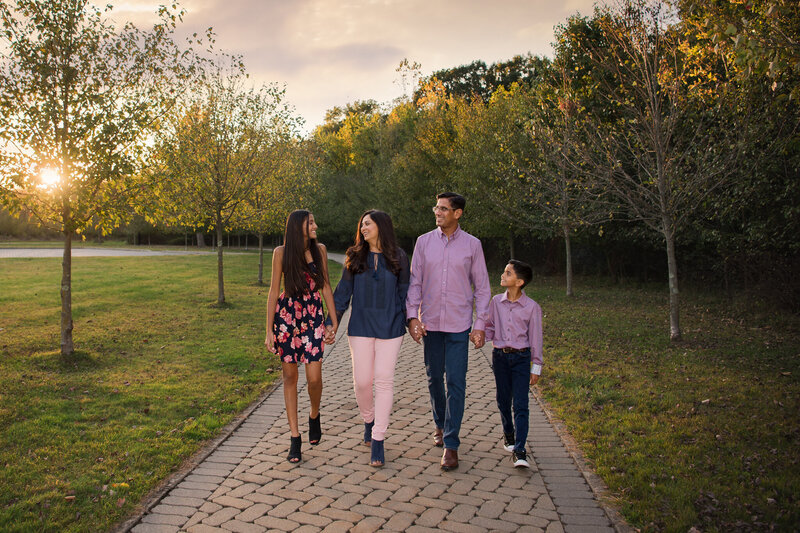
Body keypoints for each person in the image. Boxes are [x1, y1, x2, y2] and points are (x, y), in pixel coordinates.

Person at [406, 192, 491, 471]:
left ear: (458, 213)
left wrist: (480, 325)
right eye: (436, 208)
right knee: (433, 379)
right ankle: (441, 424)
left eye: (444, 209)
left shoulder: (472, 246)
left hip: (458, 325)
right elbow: (415, 283)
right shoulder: (423, 242)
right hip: (431, 324)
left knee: (456, 382)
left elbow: (482, 288)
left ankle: (451, 445)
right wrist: (412, 318)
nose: (438, 212)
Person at [326, 210, 410, 467]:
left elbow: (405, 292)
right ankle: (368, 418)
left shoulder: (399, 256)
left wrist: (411, 320)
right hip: (360, 327)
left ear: (381, 226)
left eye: (368, 224)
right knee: (363, 382)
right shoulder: (355, 256)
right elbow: (343, 293)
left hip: (391, 328)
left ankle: (378, 438)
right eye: (361, 224)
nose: (363, 228)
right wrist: (332, 321)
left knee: (384, 381)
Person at [265, 210, 337, 464]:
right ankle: (295, 438)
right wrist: (269, 330)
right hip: (287, 318)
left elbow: (326, 285)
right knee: (290, 376)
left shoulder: (320, 250)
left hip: (313, 315)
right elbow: (274, 292)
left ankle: (314, 414)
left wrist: (333, 319)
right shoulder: (281, 253)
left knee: (314, 377)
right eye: (311, 223)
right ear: (298, 228)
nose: (316, 226)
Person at [484, 259, 543, 468]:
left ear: (519, 282)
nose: (502, 275)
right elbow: (490, 327)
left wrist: (536, 367)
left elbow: (536, 338)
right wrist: (480, 335)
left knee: (520, 404)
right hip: (500, 357)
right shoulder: (495, 302)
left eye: (508, 273)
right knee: (502, 399)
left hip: (521, 358)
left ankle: (519, 450)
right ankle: (508, 432)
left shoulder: (531, 308)